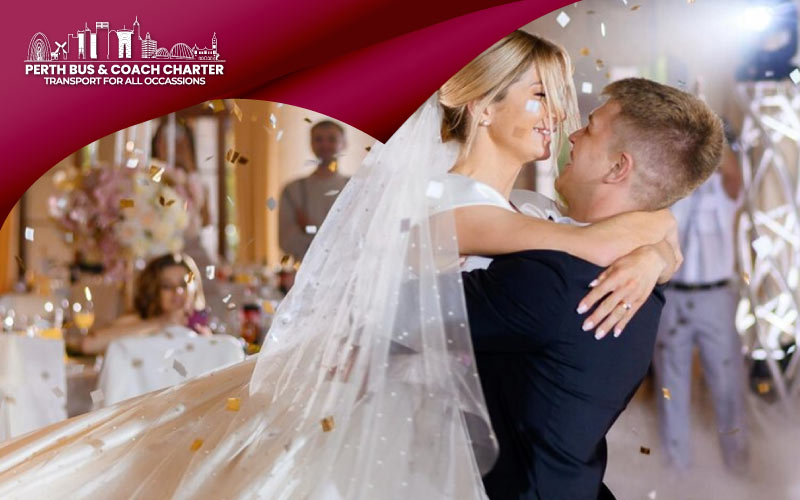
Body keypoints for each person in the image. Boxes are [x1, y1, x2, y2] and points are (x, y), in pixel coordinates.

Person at [0, 32, 679, 499]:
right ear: (480, 102)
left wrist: (653, 246)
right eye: (539, 95)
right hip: (394, 421)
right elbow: (496, 236)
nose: (557, 117)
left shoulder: (531, 207)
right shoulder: (441, 197)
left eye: (559, 99)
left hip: (472, 437)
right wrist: (644, 239)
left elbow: (578, 237)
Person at [460, 77, 724, 499]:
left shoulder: (554, 280)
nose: (572, 133)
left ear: (618, 167)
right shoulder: (639, 278)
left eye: (591, 127)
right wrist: (657, 244)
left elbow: (397, 310)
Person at [652, 118, 749, 474]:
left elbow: (733, 174)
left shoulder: (724, 190)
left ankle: (737, 467)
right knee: (670, 387)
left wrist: (707, 129)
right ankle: (677, 475)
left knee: (727, 385)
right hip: (672, 296)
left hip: (715, 298)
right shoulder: (671, 190)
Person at [80, 253, 208, 355]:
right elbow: (89, 344)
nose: (177, 291)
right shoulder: (139, 321)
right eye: (167, 286)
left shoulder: (200, 328)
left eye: (183, 285)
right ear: (153, 291)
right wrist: (161, 322)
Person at [278, 120, 351, 261]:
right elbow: (286, 244)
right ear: (311, 144)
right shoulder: (292, 191)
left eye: (332, 139)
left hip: (346, 275)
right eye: (318, 139)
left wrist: (309, 229)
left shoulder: (357, 188)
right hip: (306, 275)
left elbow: (358, 238)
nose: (325, 145)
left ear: (344, 144)